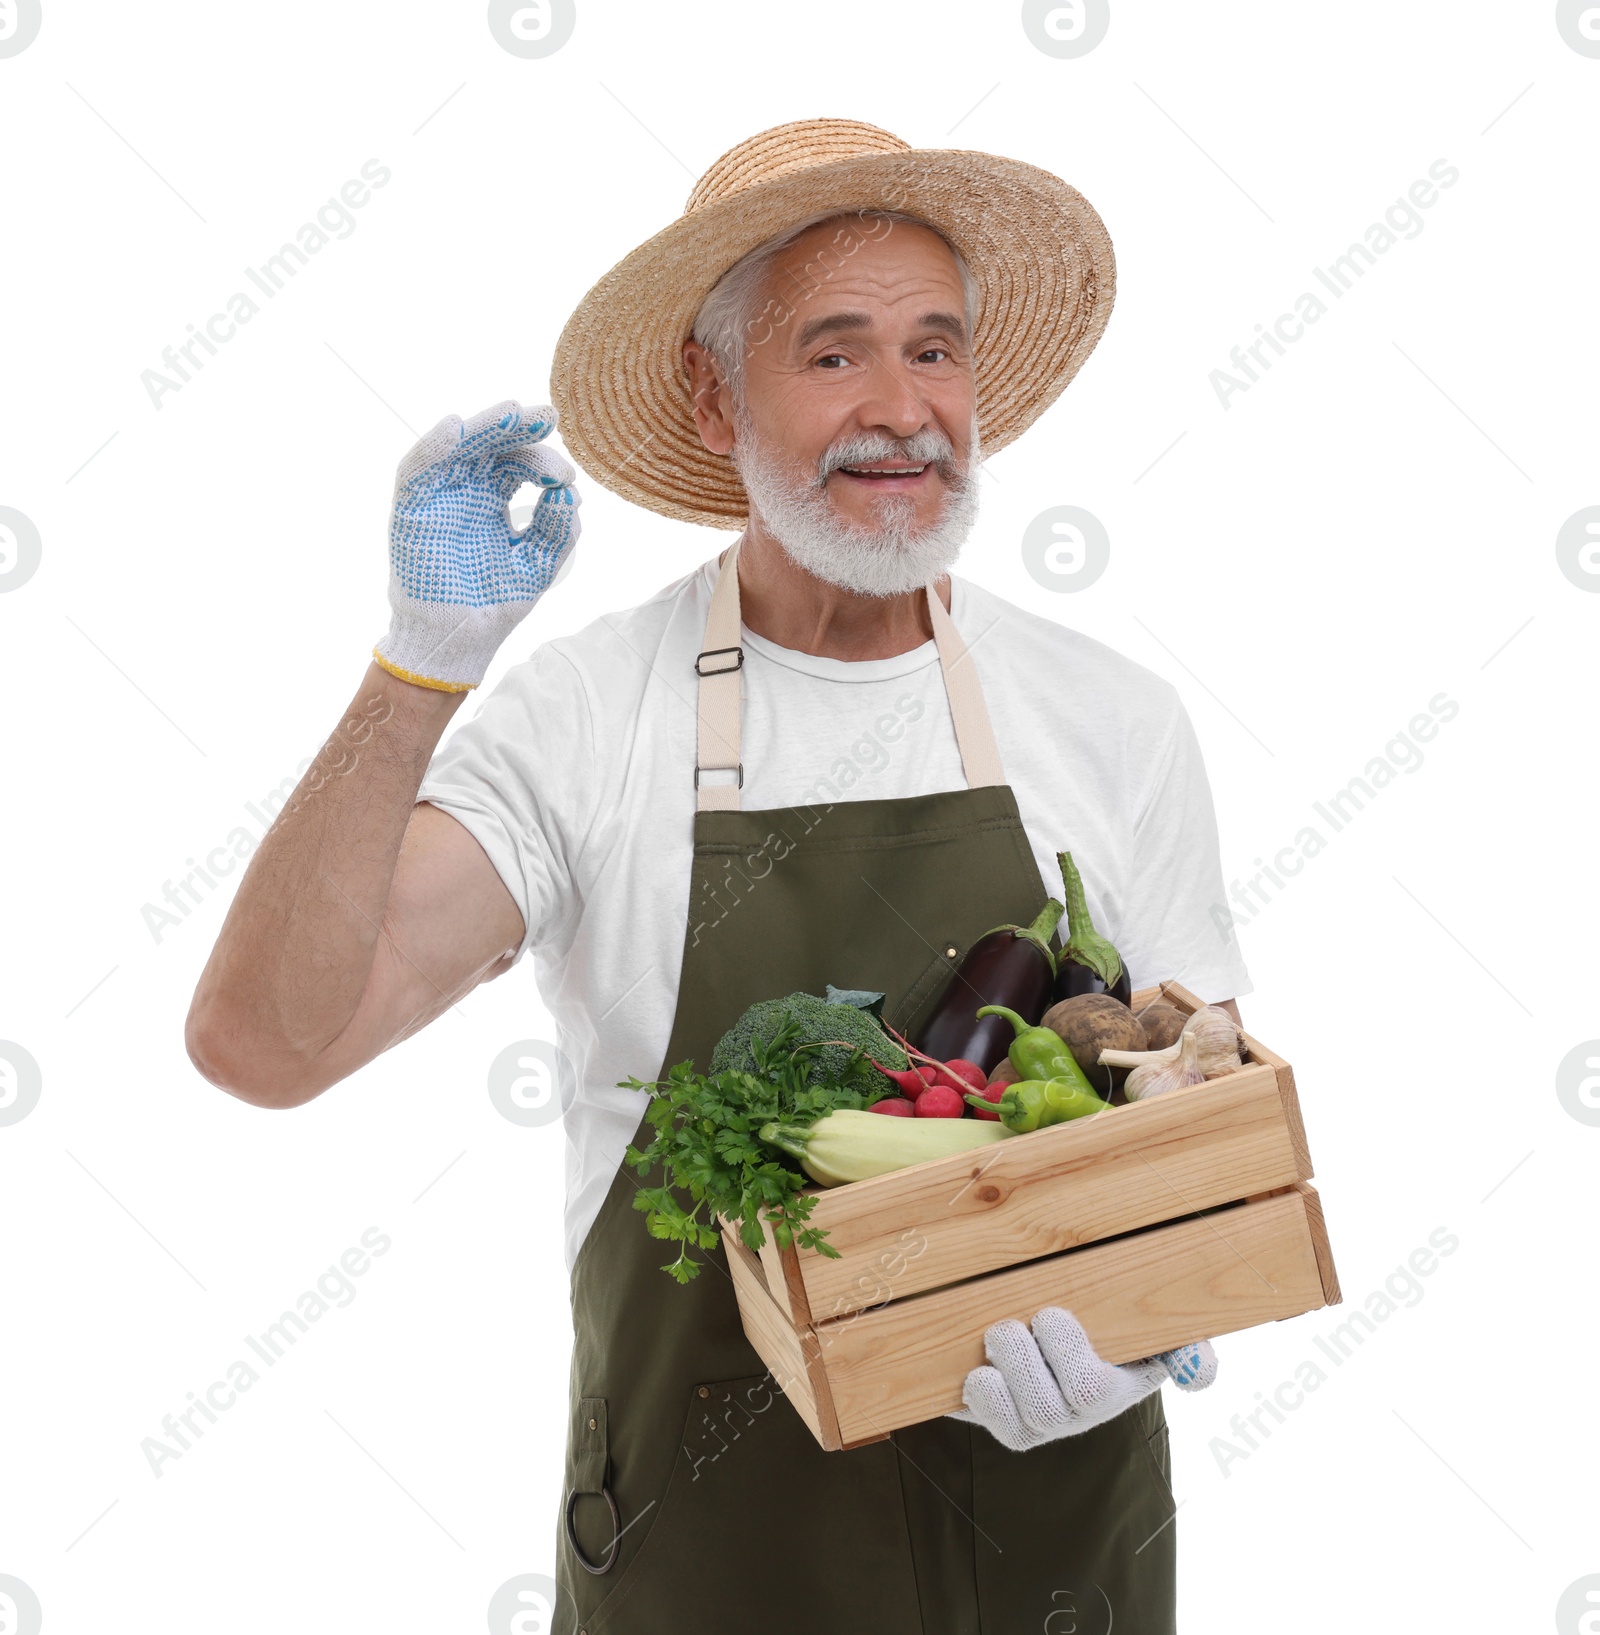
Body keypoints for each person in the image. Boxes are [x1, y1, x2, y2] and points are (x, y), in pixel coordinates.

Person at [187, 118, 1250, 1635]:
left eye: (936, 350)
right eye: (833, 356)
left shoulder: (1109, 716)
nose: (902, 411)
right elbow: (265, 1046)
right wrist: (419, 674)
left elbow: (1201, 1143)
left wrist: (1157, 1339)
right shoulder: (586, 718)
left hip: (1058, 1559)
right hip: (712, 1566)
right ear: (709, 395)